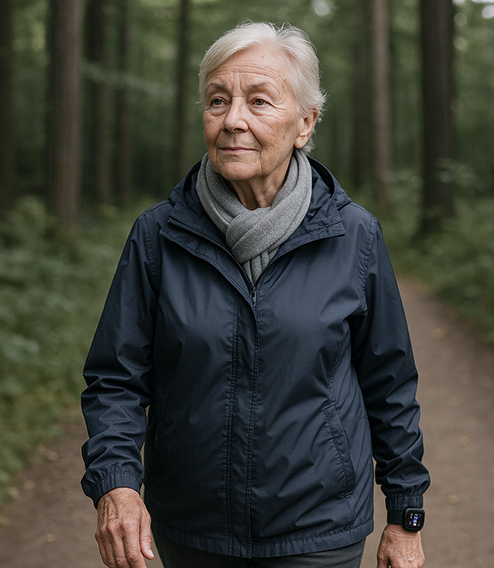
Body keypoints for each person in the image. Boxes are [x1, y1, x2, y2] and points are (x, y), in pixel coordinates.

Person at [80, 22, 429, 568]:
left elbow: (389, 383)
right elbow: (115, 378)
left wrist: (406, 514)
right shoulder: (158, 234)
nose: (232, 120)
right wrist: (117, 484)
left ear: (305, 123)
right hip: (192, 530)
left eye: (259, 101)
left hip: (319, 528)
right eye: (218, 100)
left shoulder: (354, 235)